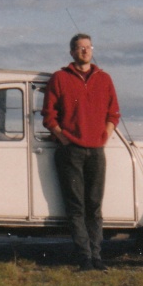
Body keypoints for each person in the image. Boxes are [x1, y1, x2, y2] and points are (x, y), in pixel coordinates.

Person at [42, 33, 120, 271]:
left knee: (94, 206)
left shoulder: (104, 78)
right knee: (76, 206)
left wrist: (103, 136)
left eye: (88, 47)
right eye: (79, 48)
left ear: (92, 50)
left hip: (96, 150)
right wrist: (64, 139)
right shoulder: (60, 78)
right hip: (71, 151)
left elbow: (113, 113)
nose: (85, 51)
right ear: (72, 52)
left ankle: (97, 257)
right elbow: (49, 115)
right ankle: (84, 258)